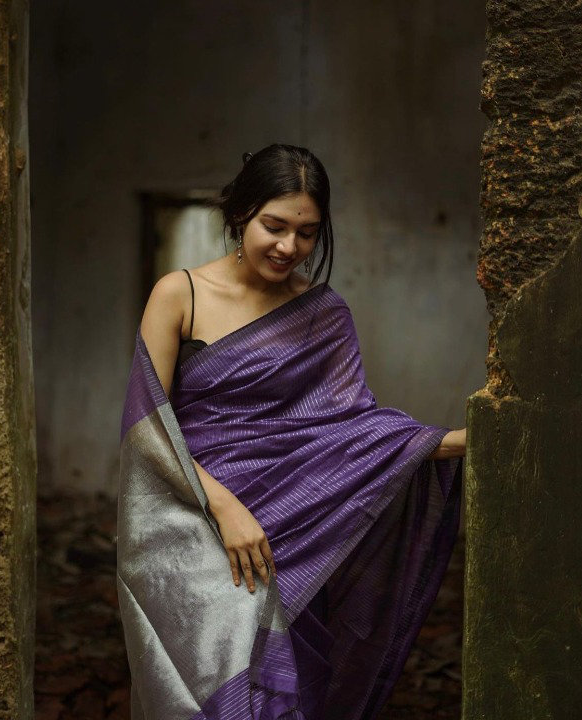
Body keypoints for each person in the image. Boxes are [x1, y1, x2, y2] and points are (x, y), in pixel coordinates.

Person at [117, 143, 466, 720]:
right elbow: (148, 429)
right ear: (239, 214)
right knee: (217, 692)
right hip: (190, 518)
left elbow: (350, 426)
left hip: (293, 524)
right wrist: (224, 509)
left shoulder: (323, 314)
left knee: (280, 694)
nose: (289, 247)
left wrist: (455, 441)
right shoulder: (179, 293)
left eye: (307, 233)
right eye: (273, 226)